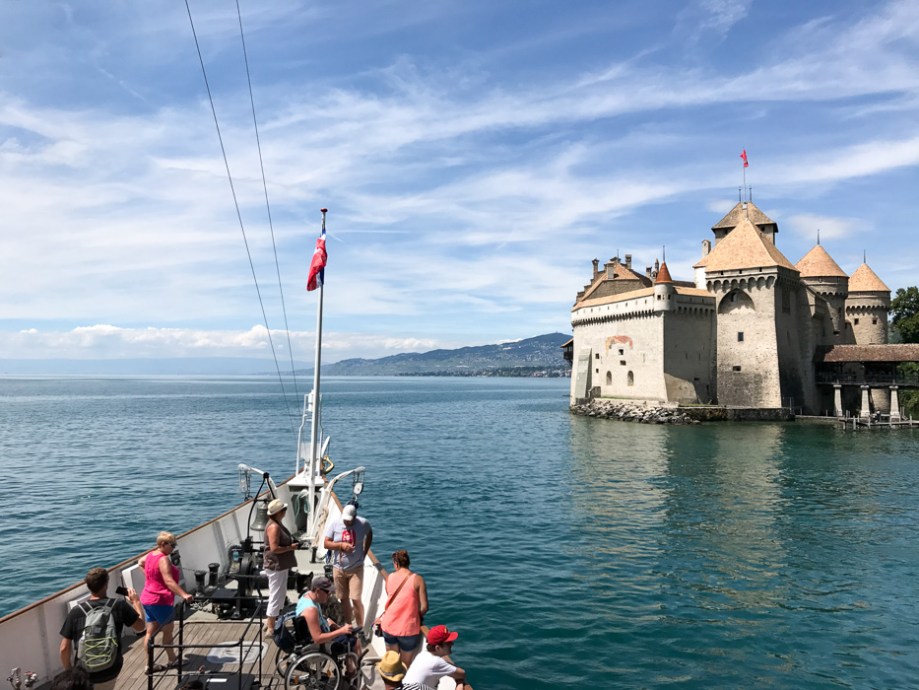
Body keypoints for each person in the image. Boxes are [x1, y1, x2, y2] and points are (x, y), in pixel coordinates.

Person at [59, 567, 145, 690]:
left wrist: (69, 672)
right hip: (110, 670)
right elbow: (140, 627)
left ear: (88, 586)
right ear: (106, 584)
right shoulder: (119, 605)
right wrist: (136, 602)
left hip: (83, 673)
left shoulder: (76, 612)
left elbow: (64, 648)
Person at [138, 531, 194, 672]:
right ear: (163, 544)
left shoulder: (151, 554)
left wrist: (150, 579)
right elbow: (169, 581)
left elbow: (140, 562)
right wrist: (184, 594)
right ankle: (172, 660)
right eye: (172, 545)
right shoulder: (163, 559)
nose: (173, 548)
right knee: (168, 632)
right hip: (160, 601)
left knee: (150, 632)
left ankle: (149, 665)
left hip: (147, 598)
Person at [295, 575, 362, 672]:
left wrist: (332, 624)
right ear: (317, 591)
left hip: (317, 633)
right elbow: (318, 638)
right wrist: (340, 631)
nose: (330, 594)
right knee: (355, 642)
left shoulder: (307, 597)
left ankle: (350, 669)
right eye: (327, 591)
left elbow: (319, 619)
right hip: (321, 644)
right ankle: (355, 673)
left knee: (349, 634)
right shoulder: (311, 610)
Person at [323, 503, 372, 631]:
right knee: (343, 598)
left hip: (356, 568)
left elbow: (369, 534)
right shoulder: (335, 524)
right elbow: (326, 543)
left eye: (350, 520)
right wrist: (340, 545)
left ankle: (361, 627)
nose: (347, 522)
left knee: (356, 598)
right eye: (345, 520)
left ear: (355, 517)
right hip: (338, 569)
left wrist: (364, 552)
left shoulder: (363, 524)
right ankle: (349, 625)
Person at [378, 550, 428, 668]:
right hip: (408, 629)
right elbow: (424, 607)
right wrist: (415, 615)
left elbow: (392, 600)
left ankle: (391, 685)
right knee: (405, 665)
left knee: (391, 663)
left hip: (389, 626)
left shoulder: (390, 577)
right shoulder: (418, 579)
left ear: (396, 564)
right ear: (408, 563)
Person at [263, 498, 299, 637]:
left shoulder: (276, 524)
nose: (285, 511)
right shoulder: (274, 527)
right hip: (276, 566)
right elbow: (274, 548)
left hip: (279, 565)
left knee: (278, 594)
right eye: (283, 510)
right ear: (278, 512)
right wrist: (290, 547)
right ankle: (271, 627)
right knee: (276, 596)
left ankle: (270, 621)